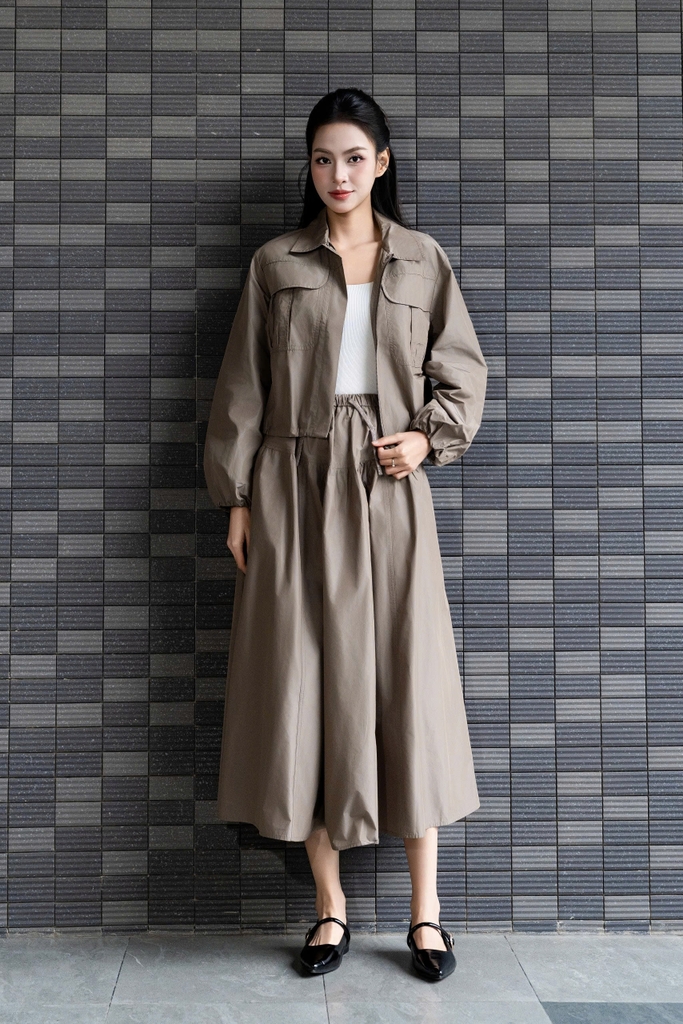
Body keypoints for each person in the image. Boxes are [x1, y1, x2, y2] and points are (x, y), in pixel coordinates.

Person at [203, 87, 488, 982]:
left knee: (408, 680)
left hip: (387, 487)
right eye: (323, 158)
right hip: (291, 486)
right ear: (310, 166)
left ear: (382, 163)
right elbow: (242, 389)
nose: (338, 174)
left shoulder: (421, 259)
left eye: (354, 158)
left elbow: (461, 373)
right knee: (302, 680)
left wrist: (427, 438)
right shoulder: (275, 263)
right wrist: (237, 500)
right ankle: (329, 907)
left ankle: (425, 915)